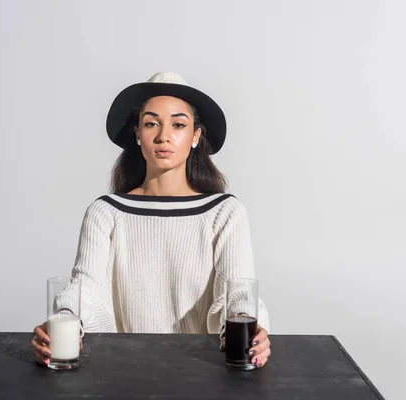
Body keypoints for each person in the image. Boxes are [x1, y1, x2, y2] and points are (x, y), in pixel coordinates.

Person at [31, 72, 272, 368]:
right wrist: (65, 320)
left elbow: (237, 292)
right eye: (151, 123)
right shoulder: (107, 211)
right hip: (124, 372)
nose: (163, 136)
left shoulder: (224, 212)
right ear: (137, 134)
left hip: (204, 372)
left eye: (179, 124)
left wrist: (252, 327)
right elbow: (88, 291)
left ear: (196, 136)